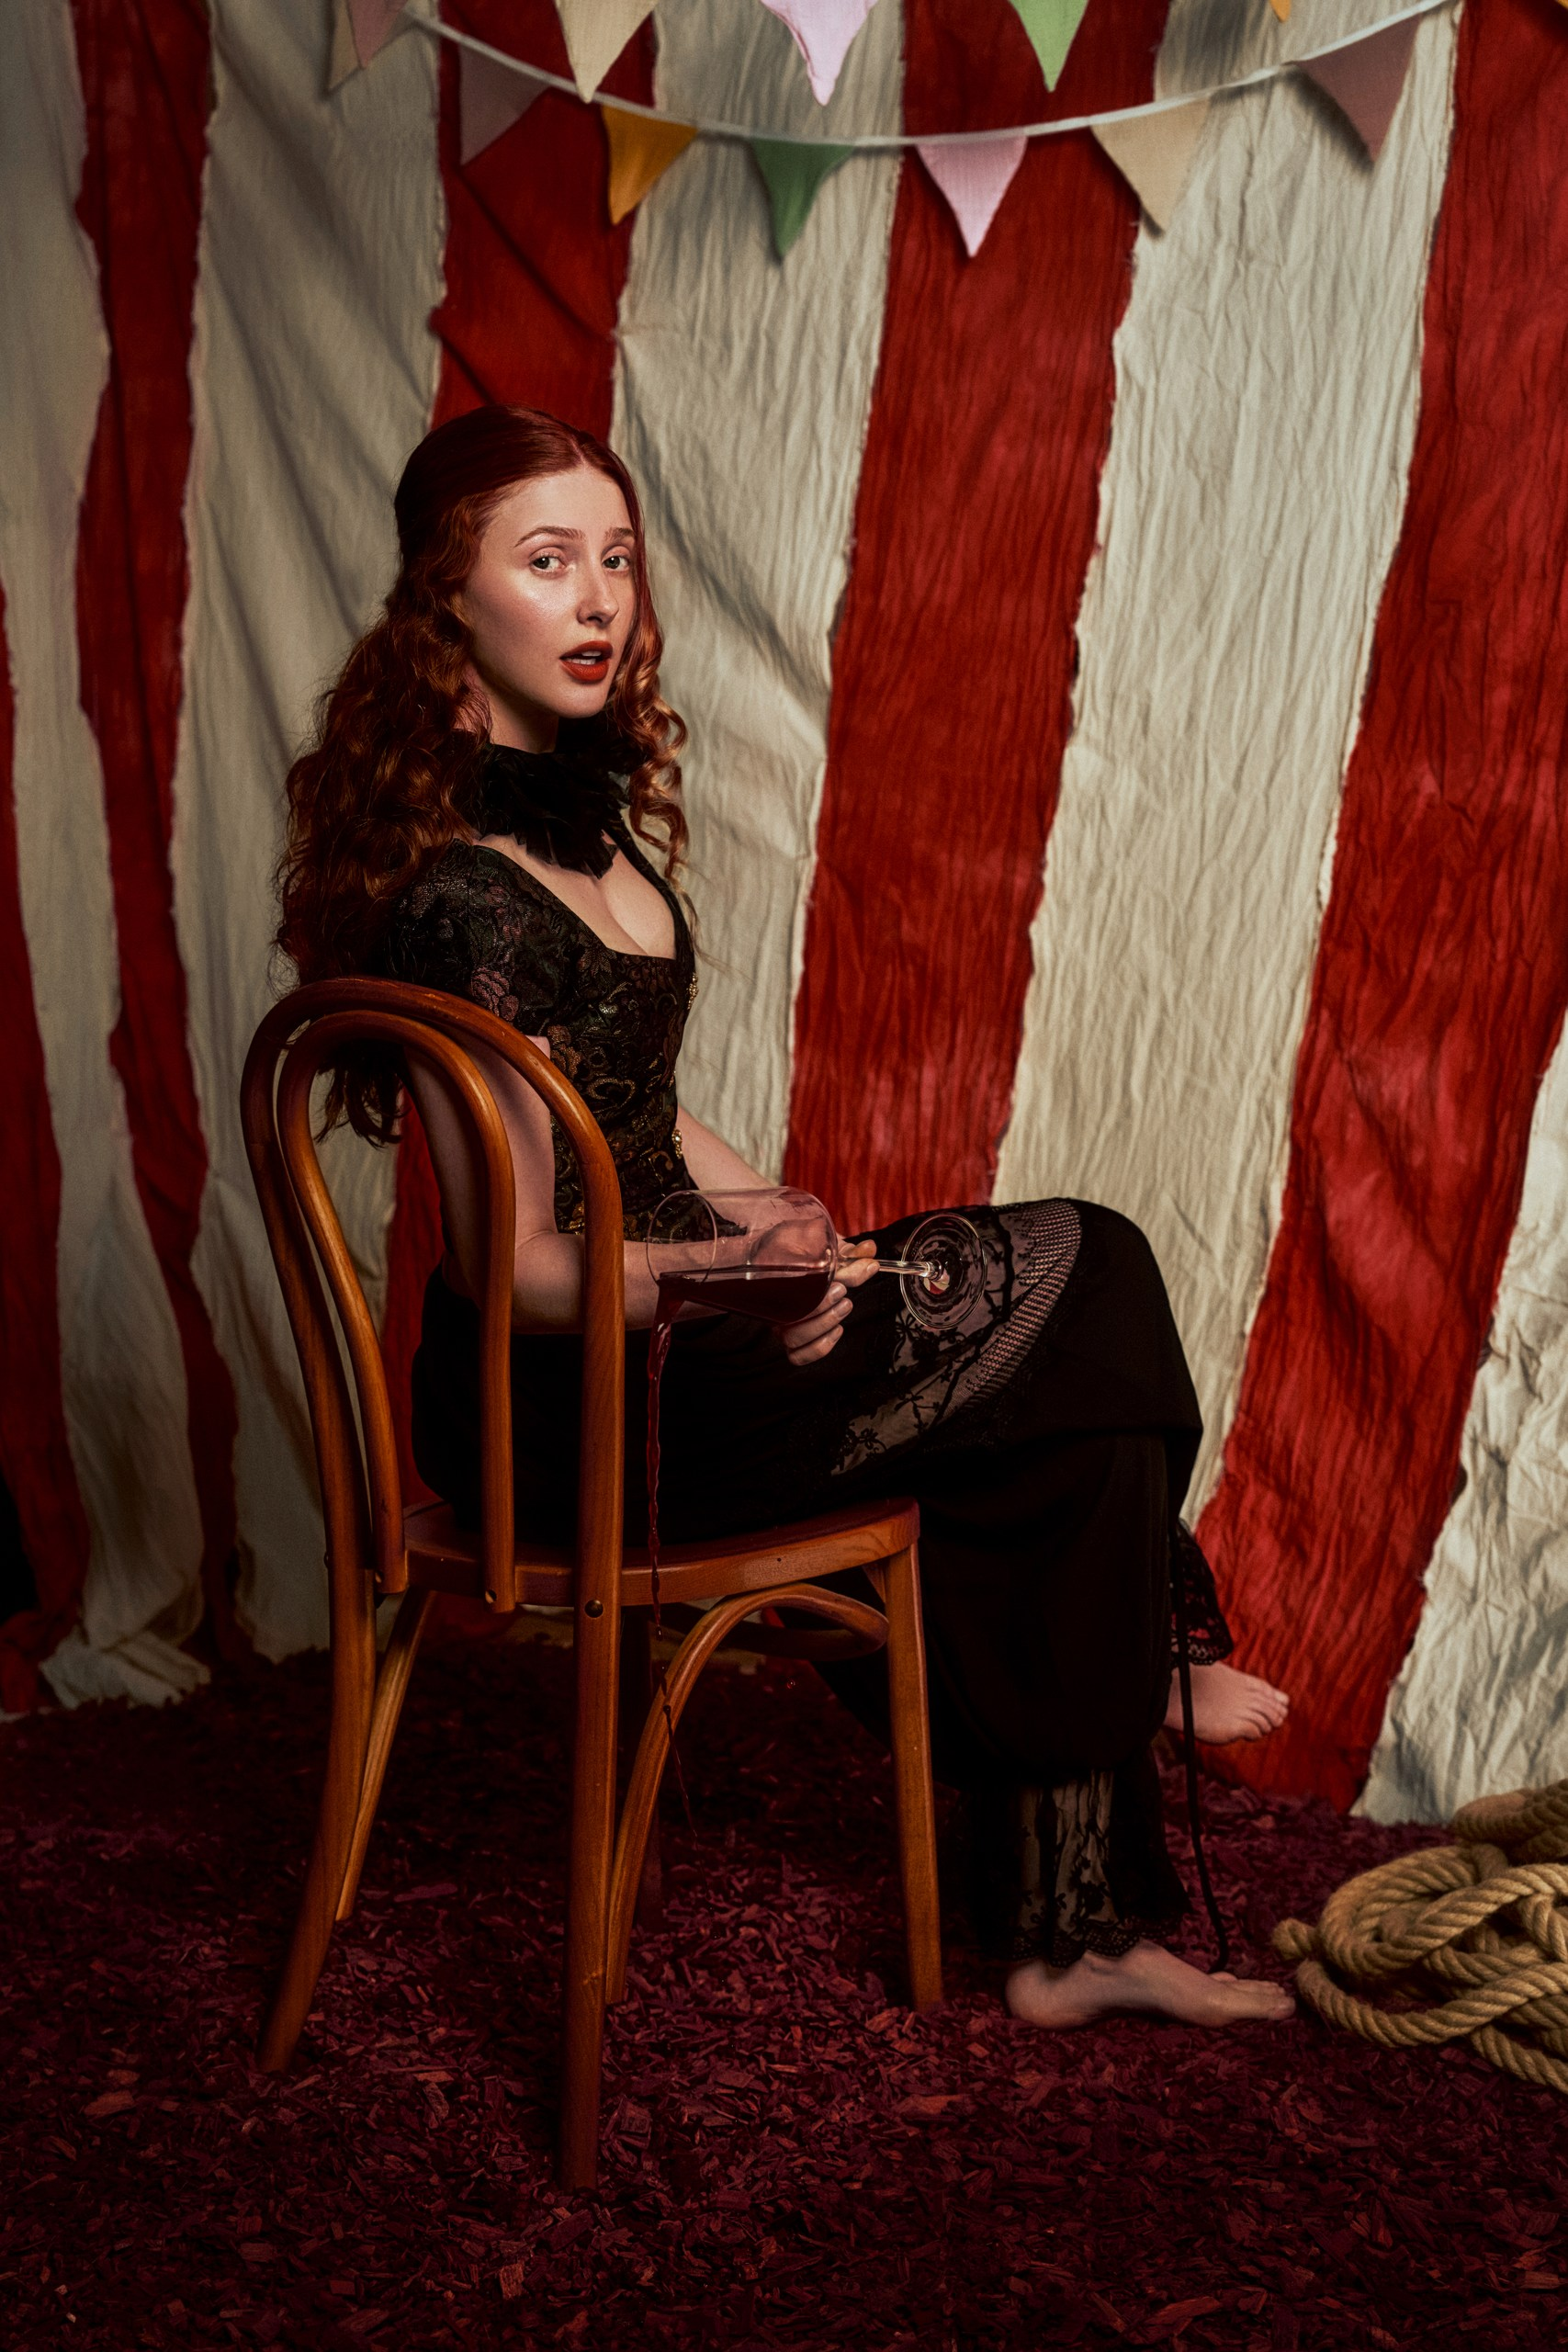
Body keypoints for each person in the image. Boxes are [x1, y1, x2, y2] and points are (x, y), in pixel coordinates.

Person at [276, 405, 1293, 2032]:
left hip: (685, 1326)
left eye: (616, 558)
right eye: (548, 563)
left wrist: (776, 1217)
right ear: (444, 602)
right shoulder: (460, 895)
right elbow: (518, 1267)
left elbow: (635, 1100)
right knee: (1084, 1262)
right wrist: (727, 1280)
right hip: (574, 1403)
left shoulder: (582, 834)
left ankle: (1071, 1933)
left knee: (1039, 1388)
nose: (601, 598)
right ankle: (1127, 1692)